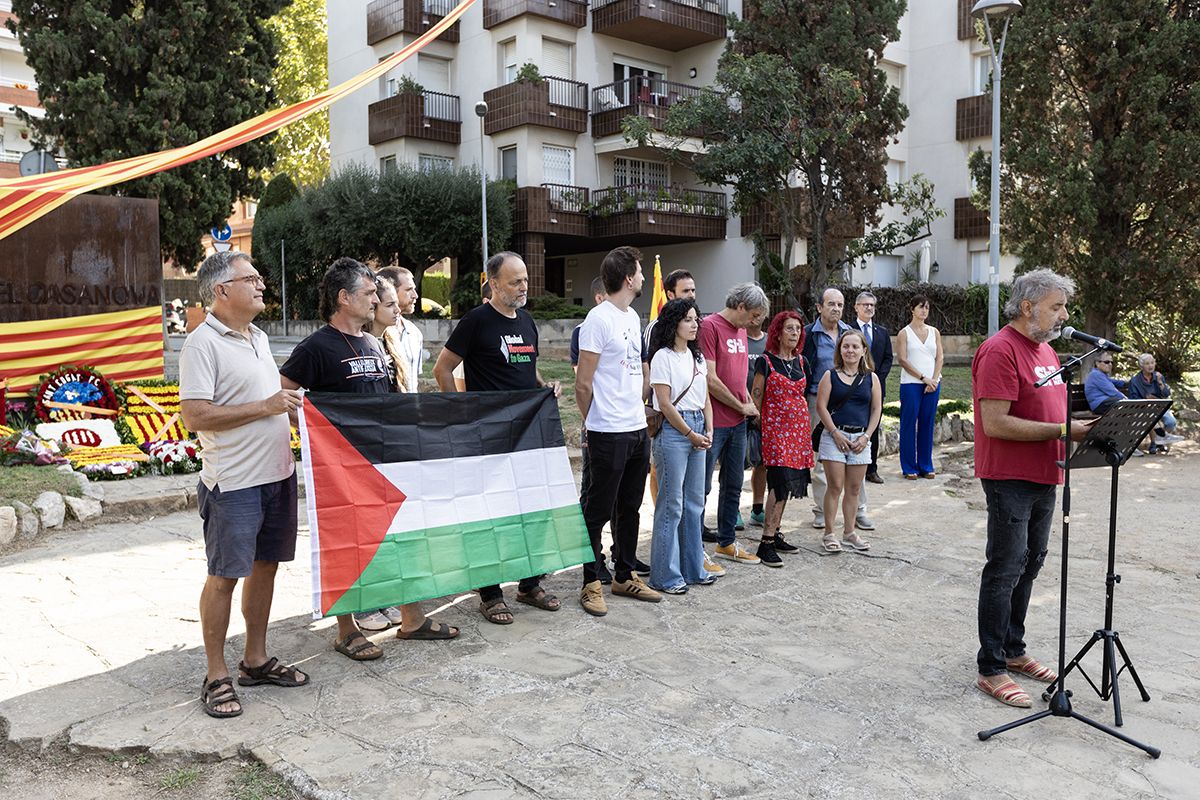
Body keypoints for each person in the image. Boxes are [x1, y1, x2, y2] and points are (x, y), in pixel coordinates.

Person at [280, 257, 459, 659]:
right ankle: (346, 630)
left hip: (385, 460)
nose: (375, 298)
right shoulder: (315, 347)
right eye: (368, 292)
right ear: (344, 298)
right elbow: (284, 393)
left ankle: (412, 619)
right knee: (348, 545)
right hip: (342, 469)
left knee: (399, 539)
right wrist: (312, 433)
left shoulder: (374, 343)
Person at [180, 251, 309, 719]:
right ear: (222, 290)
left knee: (266, 568)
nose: (261, 285)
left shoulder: (256, 336)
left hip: (277, 476)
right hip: (233, 483)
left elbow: (265, 398)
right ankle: (216, 674)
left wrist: (290, 407)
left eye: (259, 278)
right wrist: (267, 406)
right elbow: (194, 415)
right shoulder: (201, 344)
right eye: (250, 279)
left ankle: (255, 659)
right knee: (224, 577)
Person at [972, 268, 1093, 708]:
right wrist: (1063, 429)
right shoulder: (1000, 350)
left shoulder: (1048, 352)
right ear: (1028, 307)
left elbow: (1050, 408)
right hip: (1009, 477)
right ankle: (991, 666)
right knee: (1005, 567)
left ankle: (1014, 647)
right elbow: (995, 422)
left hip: (1046, 473)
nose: (1063, 315)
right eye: (1056, 306)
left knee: (1032, 562)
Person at [432, 252, 563, 624]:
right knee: (490, 515)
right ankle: (489, 593)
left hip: (527, 436)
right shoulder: (476, 321)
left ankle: (529, 583)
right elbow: (442, 369)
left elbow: (528, 368)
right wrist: (462, 415)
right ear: (492, 283)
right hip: (487, 439)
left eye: (524, 280)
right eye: (514, 281)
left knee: (531, 512)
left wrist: (545, 386)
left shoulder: (527, 321)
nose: (523, 287)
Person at [575, 246, 661, 614]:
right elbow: (582, 383)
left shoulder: (630, 318)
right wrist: (595, 423)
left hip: (636, 430)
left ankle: (623, 574)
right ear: (628, 278)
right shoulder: (598, 319)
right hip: (607, 432)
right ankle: (590, 580)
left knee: (630, 507)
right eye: (640, 272)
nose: (643, 277)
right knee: (597, 510)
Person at [646, 298, 715, 594]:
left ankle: (692, 568)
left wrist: (708, 428)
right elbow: (663, 402)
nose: (694, 323)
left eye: (695, 318)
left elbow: (706, 397)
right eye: (688, 319)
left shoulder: (697, 357)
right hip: (676, 432)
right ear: (674, 323)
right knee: (671, 505)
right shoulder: (662, 356)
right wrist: (690, 434)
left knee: (695, 503)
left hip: (699, 426)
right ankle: (665, 575)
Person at [699, 282, 769, 566]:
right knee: (700, 488)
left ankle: (726, 542)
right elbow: (710, 378)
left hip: (739, 422)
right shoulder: (709, 327)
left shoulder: (741, 330)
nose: (754, 323)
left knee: (733, 485)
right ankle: (695, 549)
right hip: (714, 422)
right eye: (753, 315)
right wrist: (740, 405)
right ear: (740, 306)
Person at [749, 311, 814, 566]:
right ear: (777, 331)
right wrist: (762, 429)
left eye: (797, 329)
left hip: (798, 433)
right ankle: (765, 543)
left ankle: (775, 534)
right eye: (789, 328)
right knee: (777, 483)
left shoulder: (801, 362)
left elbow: (803, 397)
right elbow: (756, 399)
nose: (794, 333)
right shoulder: (765, 361)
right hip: (775, 433)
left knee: (787, 485)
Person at [801, 288, 866, 530]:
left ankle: (858, 510)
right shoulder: (809, 334)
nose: (836, 308)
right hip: (817, 400)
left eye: (840, 304)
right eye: (831, 304)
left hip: (850, 401)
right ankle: (821, 510)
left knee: (857, 457)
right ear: (819, 307)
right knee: (822, 459)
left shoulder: (850, 334)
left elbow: (864, 366)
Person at [814, 330, 881, 554]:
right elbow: (821, 407)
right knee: (835, 486)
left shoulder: (872, 378)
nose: (850, 350)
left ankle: (850, 532)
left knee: (853, 489)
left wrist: (866, 436)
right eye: (846, 346)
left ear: (863, 351)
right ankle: (829, 533)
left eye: (855, 347)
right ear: (840, 350)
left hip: (860, 439)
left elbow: (876, 409)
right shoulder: (830, 375)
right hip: (835, 437)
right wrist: (834, 432)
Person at [896, 294, 944, 479]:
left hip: (932, 385)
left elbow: (939, 357)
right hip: (911, 384)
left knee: (927, 423)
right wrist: (924, 378)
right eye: (920, 307)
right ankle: (909, 467)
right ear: (912, 309)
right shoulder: (904, 333)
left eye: (927, 307)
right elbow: (902, 359)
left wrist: (934, 380)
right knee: (908, 424)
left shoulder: (934, 332)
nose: (924, 310)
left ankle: (926, 465)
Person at [850, 291, 894, 485]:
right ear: (856, 307)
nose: (869, 308)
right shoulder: (848, 330)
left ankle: (871, 469)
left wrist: (875, 379)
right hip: (851, 386)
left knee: (873, 427)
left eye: (872, 305)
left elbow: (887, 358)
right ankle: (850, 465)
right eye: (865, 304)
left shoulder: (882, 332)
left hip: (876, 387)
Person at [376, 266, 423, 393]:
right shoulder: (369, 338)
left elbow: (414, 382)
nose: (415, 295)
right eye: (409, 289)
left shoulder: (414, 333)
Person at [1127, 353, 1184, 451]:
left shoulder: (1158, 376)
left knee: (1171, 422)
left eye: (1152, 363)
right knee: (1152, 417)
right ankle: (1155, 442)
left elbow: (1166, 394)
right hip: (1144, 409)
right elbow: (1133, 399)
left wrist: (1160, 382)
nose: (1150, 366)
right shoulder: (1135, 381)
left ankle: (1160, 440)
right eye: (1147, 363)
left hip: (1160, 406)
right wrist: (1146, 400)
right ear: (1141, 366)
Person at [745, 314, 769, 526]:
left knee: (761, 462)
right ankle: (731, 509)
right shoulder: (737, 339)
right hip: (737, 407)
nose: (756, 316)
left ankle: (757, 508)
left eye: (760, 311)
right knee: (732, 464)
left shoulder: (769, 342)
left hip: (763, 411)